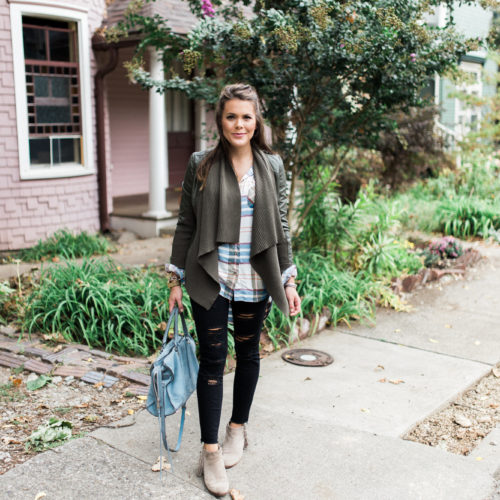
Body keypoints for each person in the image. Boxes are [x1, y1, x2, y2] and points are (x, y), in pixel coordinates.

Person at [166, 83, 301, 496]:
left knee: (247, 355)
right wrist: (174, 278)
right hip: (212, 276)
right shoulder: (200, 165)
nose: (239, 124)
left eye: (246, 116)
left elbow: (279, 227)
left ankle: (237, 429)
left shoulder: (272, 166)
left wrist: (289, 278)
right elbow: (186, 223)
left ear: (256, 119)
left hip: (256, 278)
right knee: (212, 361)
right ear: (219, 121)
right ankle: (210, 451)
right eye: (231, 116)